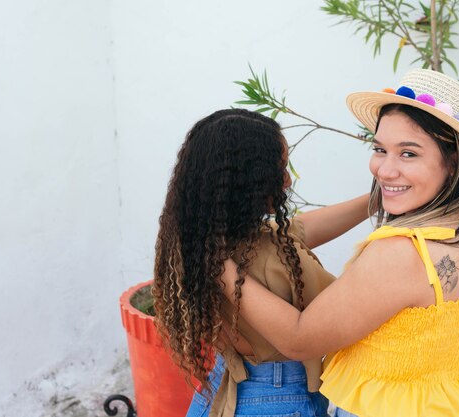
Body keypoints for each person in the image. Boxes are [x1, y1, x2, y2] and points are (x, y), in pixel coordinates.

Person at [220, 69, 459, 417]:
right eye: (380, 149)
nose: (384, 169)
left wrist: (219, 266)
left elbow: (299, 338)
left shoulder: (402, 253)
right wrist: (385, 196)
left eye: (409, 154)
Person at [152, 108, 370, 417]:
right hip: (276, 401)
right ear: (246, 182)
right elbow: (300, 337)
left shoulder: (208, 241)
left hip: (226, 389)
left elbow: (300, 228)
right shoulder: (259, 261)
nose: (287, 180)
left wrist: (377, 199)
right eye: (279, 169)